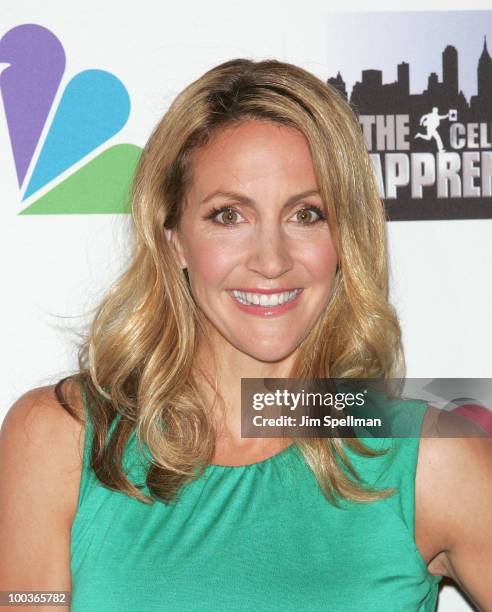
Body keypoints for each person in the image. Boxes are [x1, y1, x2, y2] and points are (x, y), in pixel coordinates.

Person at [1, 58, 491, 612]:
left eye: (307, 215)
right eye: (229, 216)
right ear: (174, 241)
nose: (271, 261)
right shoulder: (61, 439)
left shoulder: (428, 457)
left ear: (347, 237)